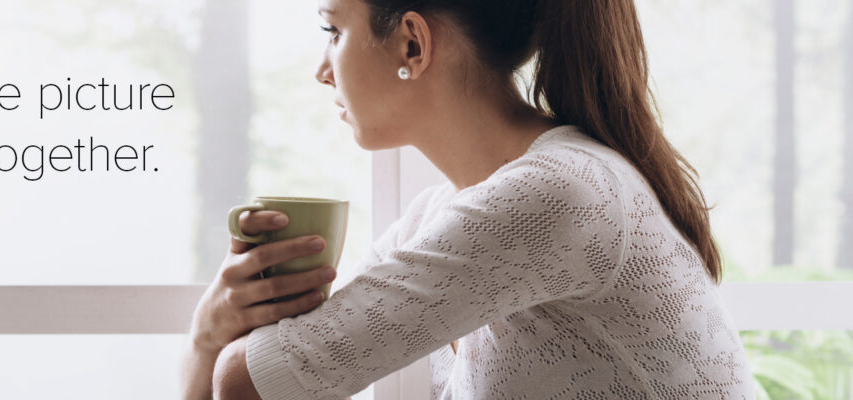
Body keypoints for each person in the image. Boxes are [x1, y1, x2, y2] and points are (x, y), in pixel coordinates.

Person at [180, 0, 755, 398]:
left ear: (412, 43)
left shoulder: (558, 193)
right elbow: (262, 384)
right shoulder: (434, 219)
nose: (321, 70)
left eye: (334, 31)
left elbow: (245, 383)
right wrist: (211, 333)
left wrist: (213, 339)